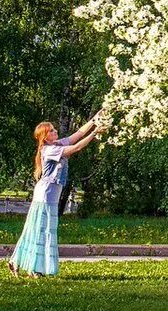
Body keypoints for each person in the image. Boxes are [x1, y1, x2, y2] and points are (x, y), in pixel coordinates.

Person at [8, 112, 104, 277]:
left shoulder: (57, 145)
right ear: (45, 137)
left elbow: (78, 134)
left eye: (54, 129)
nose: (55, 132)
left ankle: (23, 263)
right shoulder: (49, 150)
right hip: (45, 196)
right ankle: (32, 267)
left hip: (49, 196)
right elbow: (76, 148)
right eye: (51, 131)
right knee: (41, 230)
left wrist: (95, 119)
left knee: (40, 230)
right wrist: (95, 133)